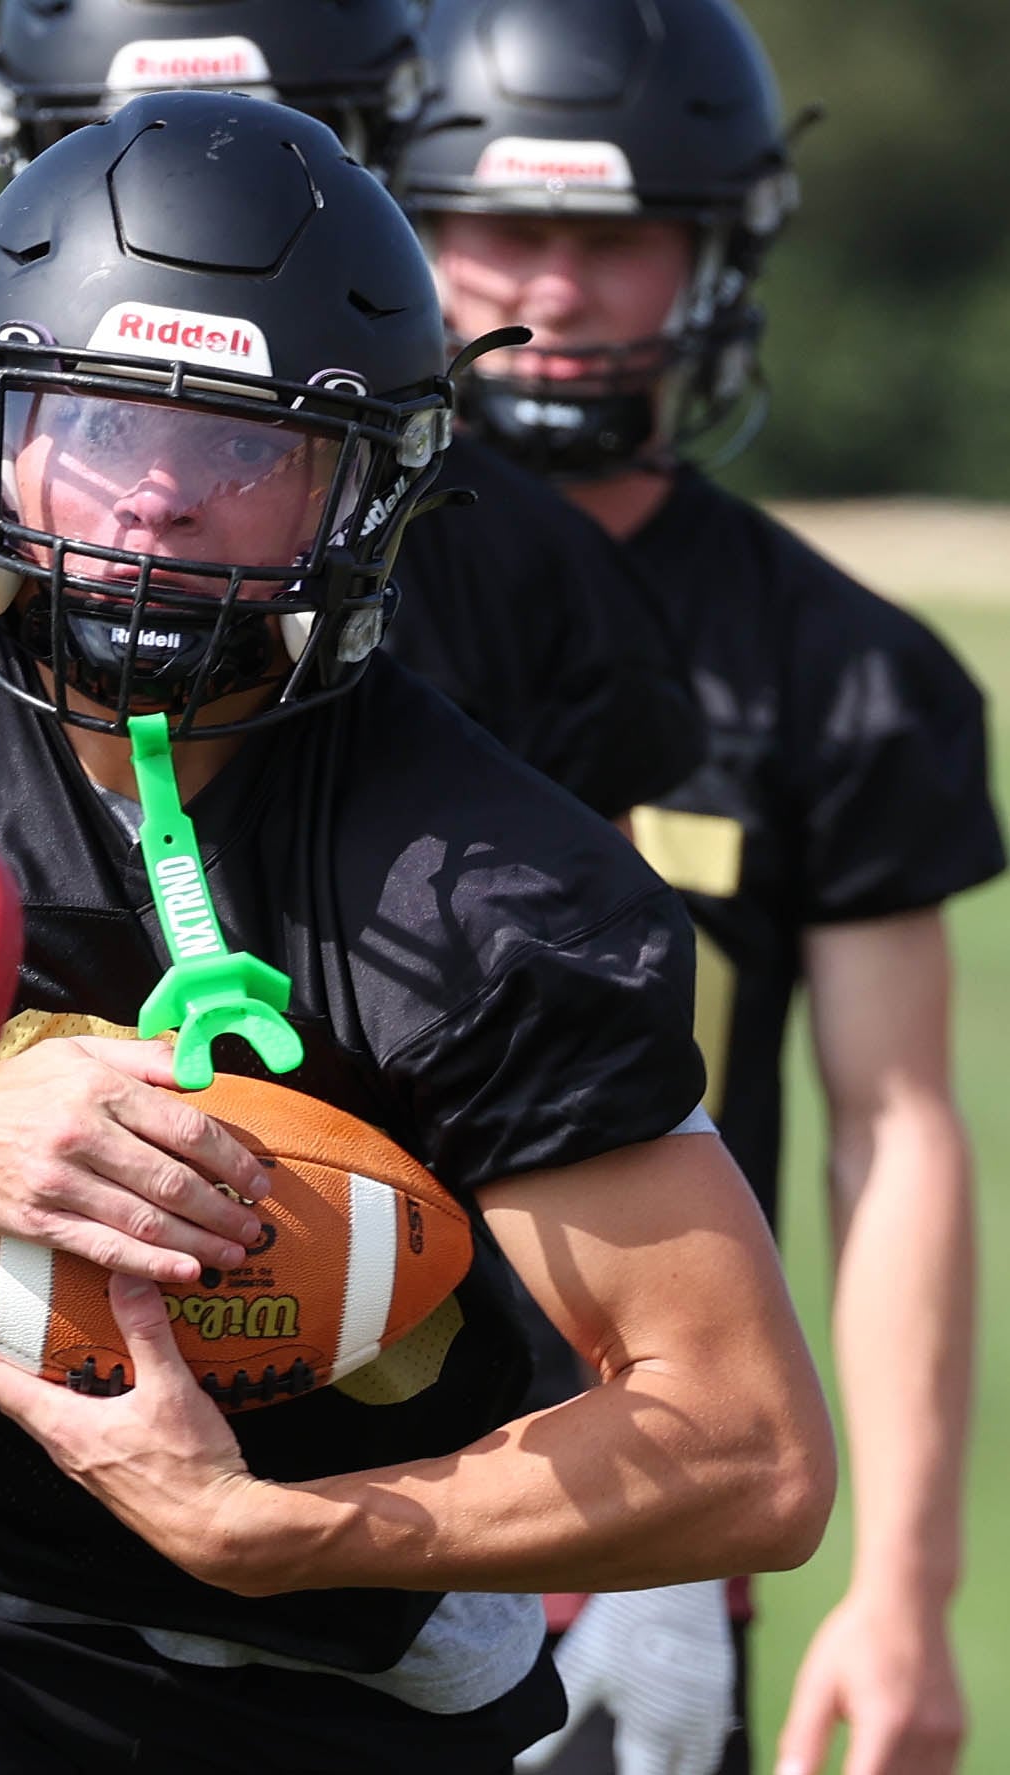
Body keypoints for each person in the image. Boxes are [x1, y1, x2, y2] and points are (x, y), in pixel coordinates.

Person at [0, 89, 833, 1775]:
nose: (157, 502)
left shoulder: (476, 890)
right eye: (100, 428)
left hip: (350, 1673)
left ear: (365, 499)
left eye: (241, 450)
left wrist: (280, 1534)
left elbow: (749, 1449)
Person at [393, 3, 1004, 1772]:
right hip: (319, 1442)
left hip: (637, 1496)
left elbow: (895, 1131)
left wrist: (900, 1584)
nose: (556, 290)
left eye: (612, 238)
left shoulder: (836, 669)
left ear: (713, 255)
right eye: (501, 231)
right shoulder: (290, 605)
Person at [0, 0, 701, 823]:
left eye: (283, 151)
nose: (196, 186)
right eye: (114, 137)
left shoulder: (539, 588)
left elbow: (544, 952)